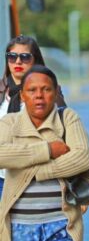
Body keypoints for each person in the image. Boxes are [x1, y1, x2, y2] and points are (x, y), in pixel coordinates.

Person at [0, 64, 89, 241]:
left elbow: (82, 157)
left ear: (56, 92)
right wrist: (48, 150)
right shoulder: (9, 123)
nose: (39, 96)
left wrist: (38, 171)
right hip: (19, 227)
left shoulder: (68, 118)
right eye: (32, 90)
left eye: (46, 89)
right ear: (23, 95)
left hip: (62, 224)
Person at [0, 35, 66, 199]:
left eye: (25, 57)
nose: (18, 62)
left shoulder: (51, 92)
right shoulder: (1, 92)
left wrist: (71, 188)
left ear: (35, 60)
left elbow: (63, 139)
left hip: (35, 178)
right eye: (12, 57)